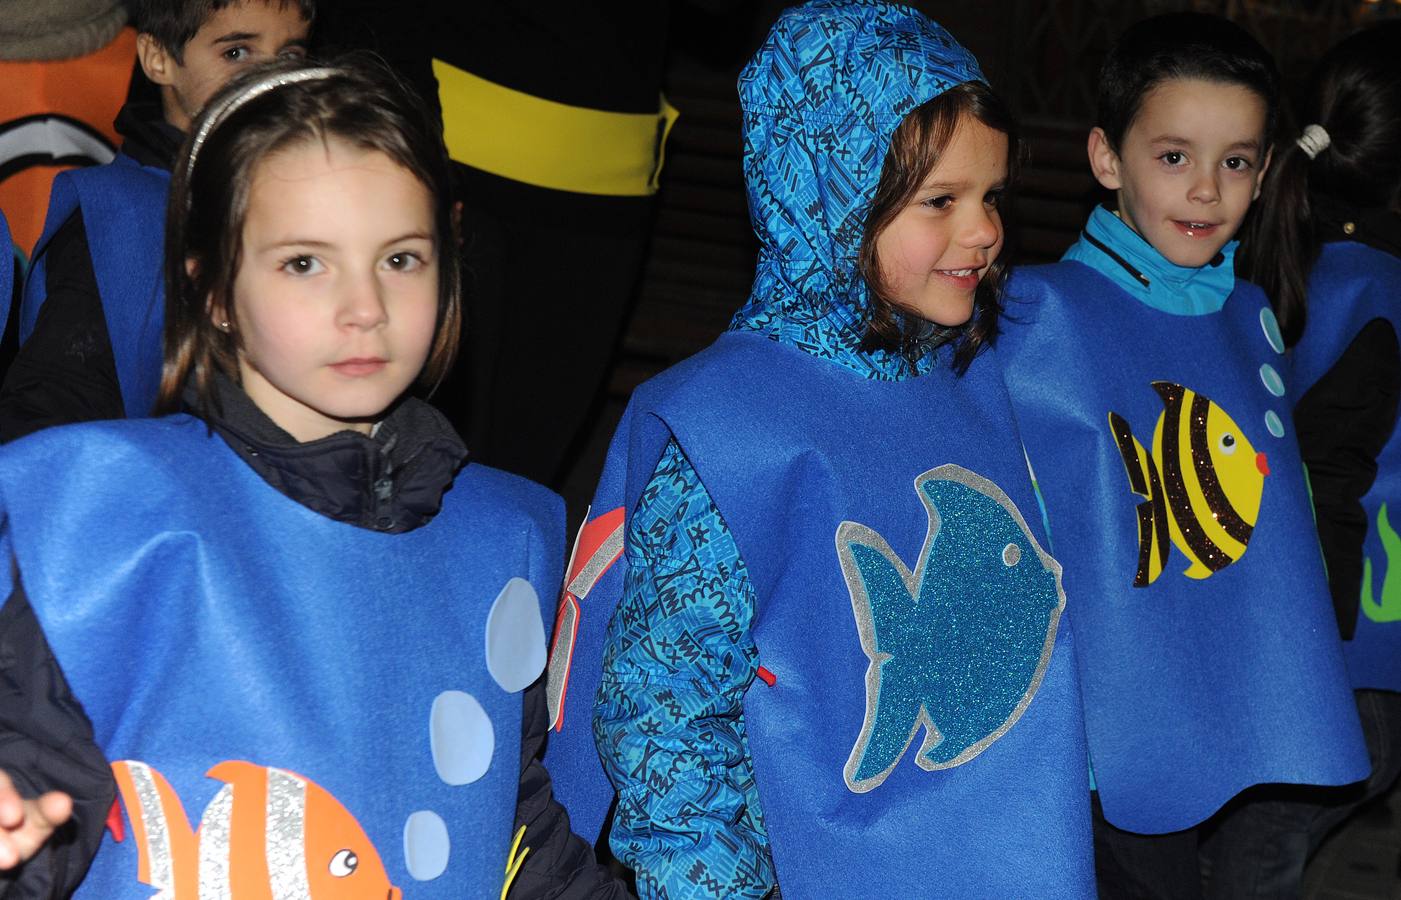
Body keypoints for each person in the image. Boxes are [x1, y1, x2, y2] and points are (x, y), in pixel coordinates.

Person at [0, 59, 630, 898]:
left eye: (401, 259)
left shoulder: (497, 539)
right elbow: (34, 786)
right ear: (214, 289)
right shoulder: (107, 515)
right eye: (305, 263)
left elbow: (511, 828)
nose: (364, 305)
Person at [544, 2, 1095, 897]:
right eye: (940, 202)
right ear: (829, 203)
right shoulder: (734, 429)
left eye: (991, 197)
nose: (985, 231)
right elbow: (665, 709)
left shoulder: (973, 379)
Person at [996, 13, 1369, 899]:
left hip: (1206, 723)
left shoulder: (1248, 318)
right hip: (1087, 753)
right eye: (1172, 157)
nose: (1205, 189)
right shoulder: (1035, 315)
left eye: (1234, 161)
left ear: (1265, 169)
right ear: (1104, 159)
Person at [1230, 19, 1401, 890]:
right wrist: (1315, 658)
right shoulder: (1374, 292)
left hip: (1316, 630)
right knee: (1264, 852)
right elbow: (1331, 471)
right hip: (1346, 639)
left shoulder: (1301, 252)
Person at [0, 0, 314, 441]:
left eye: (289, 57)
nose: (271, 79)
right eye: (237, 53)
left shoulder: (314, 200)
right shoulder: (121, 216)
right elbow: (58, 408)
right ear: (158, 58)